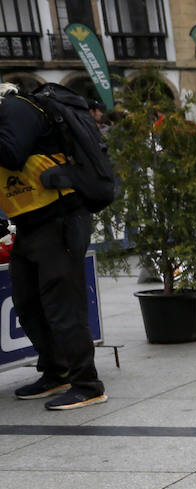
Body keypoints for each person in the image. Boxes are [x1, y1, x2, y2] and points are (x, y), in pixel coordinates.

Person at [0, 82, 106, 409]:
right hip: (30, 222)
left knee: (63, 306)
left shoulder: (16, 108)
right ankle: (55, 371)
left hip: (59, 219)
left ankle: (87, 383)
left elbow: (12, 154)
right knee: (27, 303)